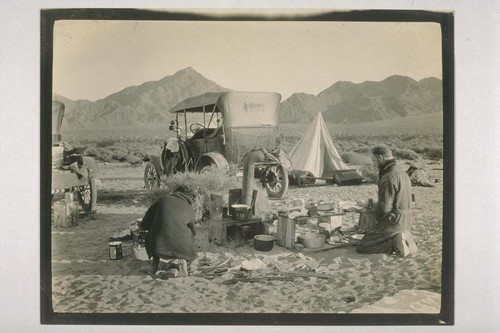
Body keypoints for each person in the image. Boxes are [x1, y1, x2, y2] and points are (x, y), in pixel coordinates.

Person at [356, 145, 418, 257]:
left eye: (373, 160)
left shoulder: (388, 176)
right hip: (407, 220)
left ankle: (394, 243)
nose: (373, 163)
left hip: (393, 222)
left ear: (379, 158)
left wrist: (376, 219)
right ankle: (399, 238)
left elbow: (385, 208)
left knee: (362, 246)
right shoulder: (403, 173)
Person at [139, 185, 197, 276]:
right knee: (186, 237)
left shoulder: (162, 200)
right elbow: (194, 231)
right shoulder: (190, 208)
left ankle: (154, 265)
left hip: (158, 247)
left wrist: (146, 228)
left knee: (156, 231)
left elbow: (145, 223)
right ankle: (183, 262)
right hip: (182, 248)